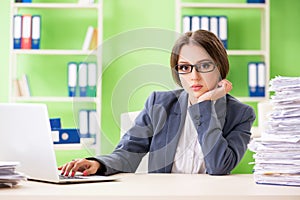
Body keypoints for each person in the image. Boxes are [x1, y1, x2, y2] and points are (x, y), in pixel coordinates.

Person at [59, 29, 256, 176]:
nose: (194, 77)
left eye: (204, 65)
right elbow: (129, 151)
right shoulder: (160, 103)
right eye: (185, 67)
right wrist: (98, 164)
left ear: (220, 67)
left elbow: (219, 166)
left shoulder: (241, 114)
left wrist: (204, 105)